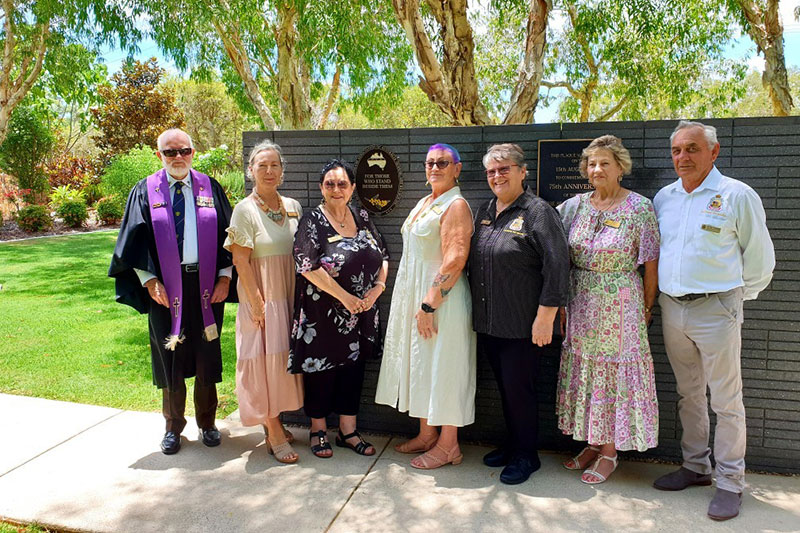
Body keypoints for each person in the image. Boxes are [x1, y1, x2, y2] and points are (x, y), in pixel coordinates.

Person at [652, 121, 775, 521]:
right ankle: (696, 466)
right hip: (674, 307)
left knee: (726, 400)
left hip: (717, 308)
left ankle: (730, 482)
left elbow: (759, 259)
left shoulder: (736, 195)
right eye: (676, 151)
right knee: (689, 393)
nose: (683, 157)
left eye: (692, 149)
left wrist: (734, 300)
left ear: (714, 151)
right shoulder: (664, 198)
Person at [109, 128, 233, 455]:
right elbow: (132, 242)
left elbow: (229, 235)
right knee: (170, 357)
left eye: (185, 151)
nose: (178, 157)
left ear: (194, 152)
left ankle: (207, 423)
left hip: (206, 286)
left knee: (207, 353)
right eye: (170, 152)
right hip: (163, 289)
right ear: (159, 155)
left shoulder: (210, 187)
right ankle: (172, 427)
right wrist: (149, 280)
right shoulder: (145, 191)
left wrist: (225, 276)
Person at [555, 135, 660, 484]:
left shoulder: (639, 207)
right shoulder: (575, 207)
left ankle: (610, 452)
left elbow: (650, 263)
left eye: (604, 163)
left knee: (613, 376)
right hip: (581, 300)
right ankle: (592, 442)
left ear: (621, 167)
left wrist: (647, 307)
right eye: (592, 163)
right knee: (586, 371)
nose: (596, 169)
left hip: (622, 305)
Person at [469, 143, 569, 484]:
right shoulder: (485, 209)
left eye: (504, 169)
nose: (497, 176)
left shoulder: (539, 212)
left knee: (521, 391)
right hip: (490, 323)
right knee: (505, 389)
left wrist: (546, 317)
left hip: (525, 326)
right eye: (491, 171)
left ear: (522, 172)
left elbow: (558, 266)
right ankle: (512, 445)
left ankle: (527, 455)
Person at [376, 143, 476, 470]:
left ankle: (449, 445)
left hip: (440, 301)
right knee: (421, 364)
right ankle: (427, 433)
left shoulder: (456, 205)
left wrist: (430, 304)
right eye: (430, 162)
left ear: (457, 168)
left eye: (443, 163)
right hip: (416, 296)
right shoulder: (426, 202)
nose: (435, 168)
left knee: (444, 367)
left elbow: (456, 258)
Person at [288, 159, 389, 459]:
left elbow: (383, 254)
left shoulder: (362, 215)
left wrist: (377, 289)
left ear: (353, 188)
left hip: (362, 312)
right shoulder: (312, 220)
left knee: (353, 370)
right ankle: (318, 430)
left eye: (342, 183)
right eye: (330, 184)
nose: (336, 189)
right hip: (322, 314)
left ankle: (348, 430)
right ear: (321, 188)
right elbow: (306, 265)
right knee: (320, 371)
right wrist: (345, 298)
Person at [224, 140, 304, 464]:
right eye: (262, 165)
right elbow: (241, 262)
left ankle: (277, 422)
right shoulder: (244, 210)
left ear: (282, 171)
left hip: (288, 295)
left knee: (279, 363)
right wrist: (257, 303)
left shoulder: (293, 207)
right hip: (262, 296)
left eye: (274, 165)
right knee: (262, 360)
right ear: (251, 171)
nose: (269, 171)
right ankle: (272, 430)